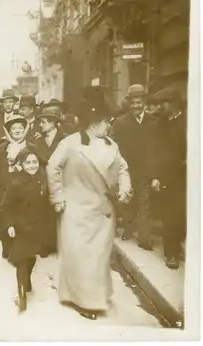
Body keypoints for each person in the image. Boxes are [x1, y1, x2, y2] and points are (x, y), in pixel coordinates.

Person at [46, 86, 132, 320]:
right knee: (81, 256)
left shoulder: (111, 145)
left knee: (98, 257)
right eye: (106, 122)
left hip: (103, 210)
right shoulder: (71, 143)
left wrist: (125, 188)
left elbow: (122, 167)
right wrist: (58, 197)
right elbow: (52, 167)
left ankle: (95, 295)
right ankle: (84, 301)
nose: (109, 126)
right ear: (93, 123)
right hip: (77, 210)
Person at [0, 147, 50, 312]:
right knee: (21, 258)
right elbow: (5, 207)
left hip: (38, 226)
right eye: (28, 162)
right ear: (21, 165)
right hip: (21, 226)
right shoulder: (15, 183)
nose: (32, 165)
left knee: (31, 257)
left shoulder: (43, 180)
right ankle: (21, 294)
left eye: (35, 162)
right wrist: (10, 225)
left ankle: (26, 283)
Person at [109, 84, 159, 250]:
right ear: (129, 104)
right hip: (127, 170)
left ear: (144, 102)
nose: (136, 106)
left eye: (139, 102)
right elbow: (112, 144)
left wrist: (154, 172)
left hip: (146, 169)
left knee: (145, 203)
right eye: (133, 103)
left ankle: (144, 239)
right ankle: (130, 226)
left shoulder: (154, 121)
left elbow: (159, 146)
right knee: (127, 202)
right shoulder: (120, 122)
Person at [0, 115, 38, 257]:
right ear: (8, 131)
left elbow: (38, 167)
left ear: (25, 130)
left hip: (25, 191)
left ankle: (23, 248)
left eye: (20, 128)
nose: (17, 131)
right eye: (13, 128)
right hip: (5, 191)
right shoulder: (1, 148)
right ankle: (7, 248)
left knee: (24, 219)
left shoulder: (31, 147)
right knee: (5, 219)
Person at [149, 87, 186, 269]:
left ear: (172, 104)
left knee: (182, 216)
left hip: (186, 178)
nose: (159, 107)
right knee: (169, 217)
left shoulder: (189, 123)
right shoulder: (160, 125)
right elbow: (154, 152)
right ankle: (171, 254)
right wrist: (155, 176)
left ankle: (178, 246)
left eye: (162, 103)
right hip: (166, 179)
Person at [34, 105, 67, 256]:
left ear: (53, 123)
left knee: (61, 214)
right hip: (43, 182)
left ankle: (60, 244)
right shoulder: (38, 141)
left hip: (61, 181)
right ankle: (45, 245)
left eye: (43, 121)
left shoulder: (65, 139)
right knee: (43, 213)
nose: (40, 124)